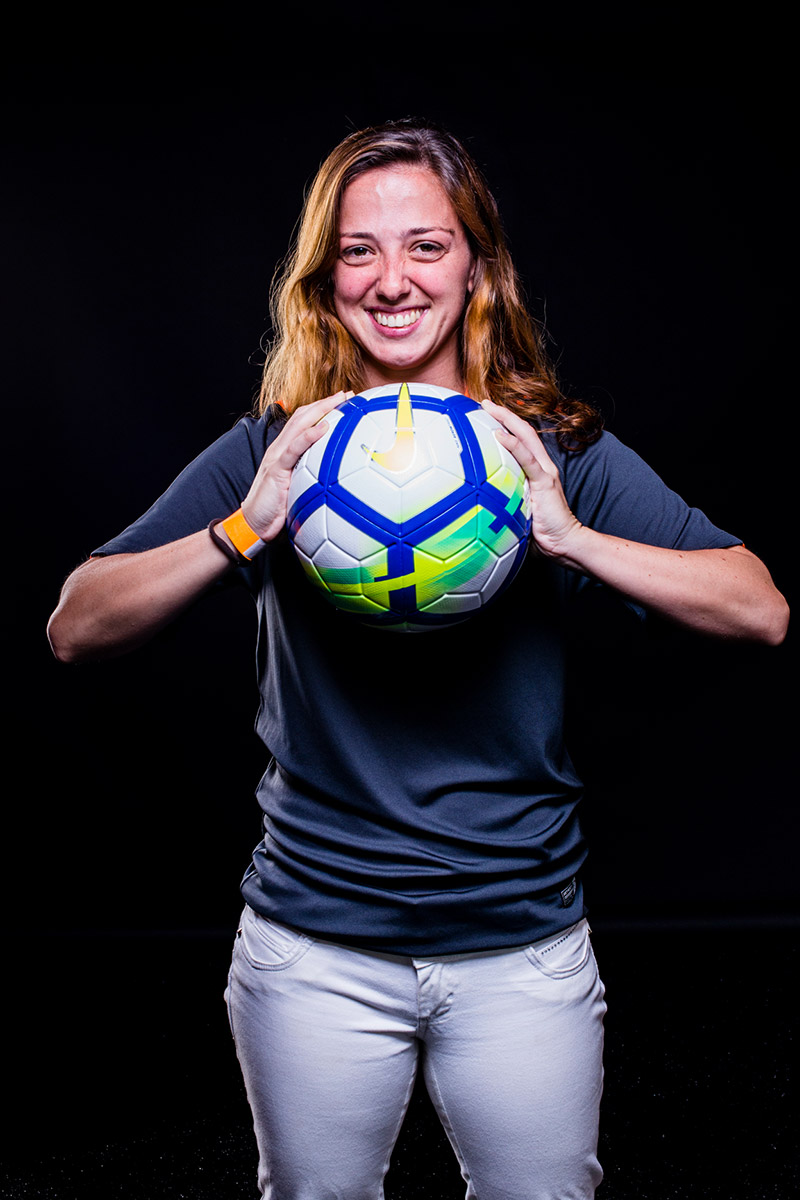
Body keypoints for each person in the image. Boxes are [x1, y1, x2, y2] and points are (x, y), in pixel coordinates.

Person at [47, 119, 789, 1200]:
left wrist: (568, 536)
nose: (392, 280)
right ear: (324, 278)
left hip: (519, 950)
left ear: (477, 268)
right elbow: (75, 625)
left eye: (425, 246)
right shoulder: (279, 449)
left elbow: (757, 610)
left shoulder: (548, 450)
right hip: (312, 950)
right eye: (358, 250)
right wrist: (243, 529)